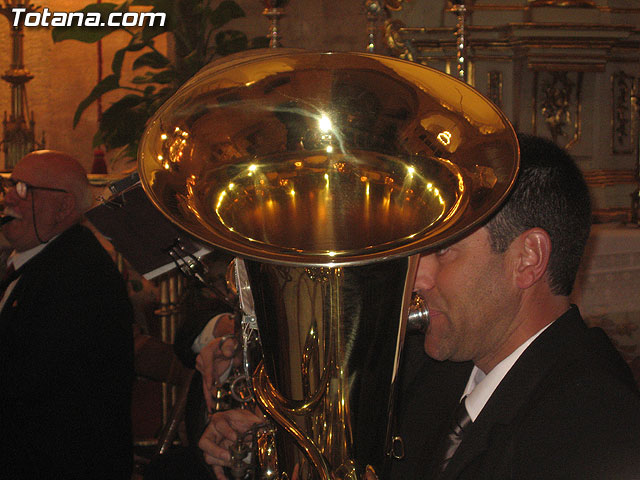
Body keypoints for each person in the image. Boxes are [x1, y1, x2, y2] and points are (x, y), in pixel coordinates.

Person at [196, 135, 640, 479]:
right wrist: (268, 434)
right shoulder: (431, 365)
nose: (417, 278)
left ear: (527, 260)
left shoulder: (600, 431)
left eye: (443, 251)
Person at [0, 150, 135, 479]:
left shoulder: (79, 275)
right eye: (8, 186)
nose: (7, 199)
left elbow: (26, 381)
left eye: (23, 189)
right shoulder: (42, 258)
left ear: (64, 208)